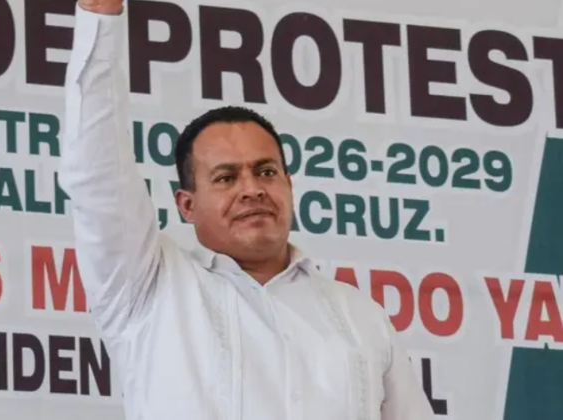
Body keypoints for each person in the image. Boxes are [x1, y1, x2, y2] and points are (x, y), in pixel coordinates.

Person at [59, 0, 436, 419]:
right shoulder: (149, 287)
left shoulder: (362, 317)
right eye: (226, 178)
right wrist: (100, 17)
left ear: (289, 185)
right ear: (187, 204)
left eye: (266, 171)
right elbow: (97, 173)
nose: (252, 190)